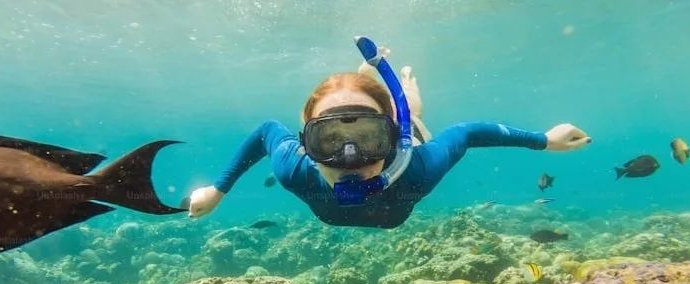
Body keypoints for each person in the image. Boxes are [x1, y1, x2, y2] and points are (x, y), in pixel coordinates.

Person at [186, 42, 591, 229]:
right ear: (307, 144)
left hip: (407, 130)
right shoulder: (295, 169)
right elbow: (266, 131)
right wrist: (218, 191)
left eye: (369, 137)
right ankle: (372, 86)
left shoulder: (417, 167)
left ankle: (403, 99)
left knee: (412, 112)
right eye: (329, 140)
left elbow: (467, 133)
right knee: (394, 110)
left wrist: (545, 140)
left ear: (392, 139)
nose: (350, 158)